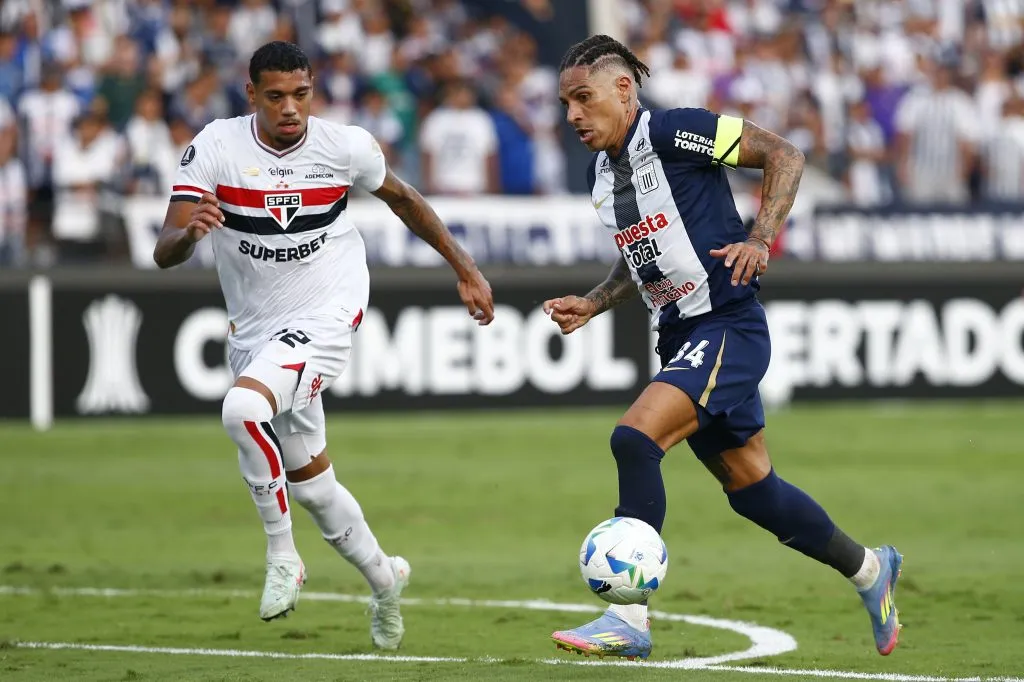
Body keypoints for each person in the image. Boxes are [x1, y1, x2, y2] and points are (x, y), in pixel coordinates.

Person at [544, 35, 901, 661]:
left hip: (727, 329)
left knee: (634, 439)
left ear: (623, 89)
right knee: (754, 489)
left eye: (583, 98)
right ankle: (871, 570)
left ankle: (628, 618)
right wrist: (595, 301)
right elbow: (642, 255)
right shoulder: (602, 173)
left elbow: (783, 155)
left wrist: (761, 237)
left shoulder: (680, 131)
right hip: (681, 335)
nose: (572, 114)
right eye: (566, 102)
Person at [153, 41, 494, 650]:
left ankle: (283, 556)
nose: (291, 109)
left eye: (301, 95)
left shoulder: (346, 146)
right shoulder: (215, 147)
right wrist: (190, 236)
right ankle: (386, 581)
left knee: (242, 409)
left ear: (314, 90)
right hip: (255, 329)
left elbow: (406, 201)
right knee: (311, 484)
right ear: (251, 94)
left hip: (331, 308)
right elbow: (166, 248)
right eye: (276, 96)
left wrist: (464, 268)